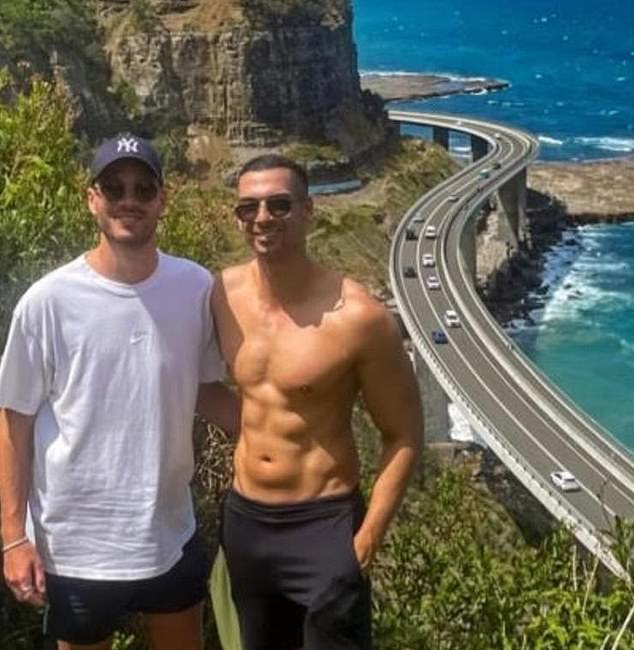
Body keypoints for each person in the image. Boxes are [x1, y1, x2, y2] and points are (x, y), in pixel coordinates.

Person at [0, 134, 240, 650]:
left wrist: (291, 428)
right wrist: (13, 539)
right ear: (92, 198)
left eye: (142, 187)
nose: (128, 199)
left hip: (169, 534)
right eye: (114, 187)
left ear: (162, 199)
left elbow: (203, 389)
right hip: (76, 547)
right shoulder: (48, 301)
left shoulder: (196, 288)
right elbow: (13, 420)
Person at [210, 154, 423, 650]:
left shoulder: (360, 318)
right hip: (245, 522)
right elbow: (192, 382)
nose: (263, 218)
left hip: (322, 524)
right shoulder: (221, 292)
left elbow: (404, 435)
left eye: (279, 205)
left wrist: (366, 541)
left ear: (309, 210)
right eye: (249, 208)